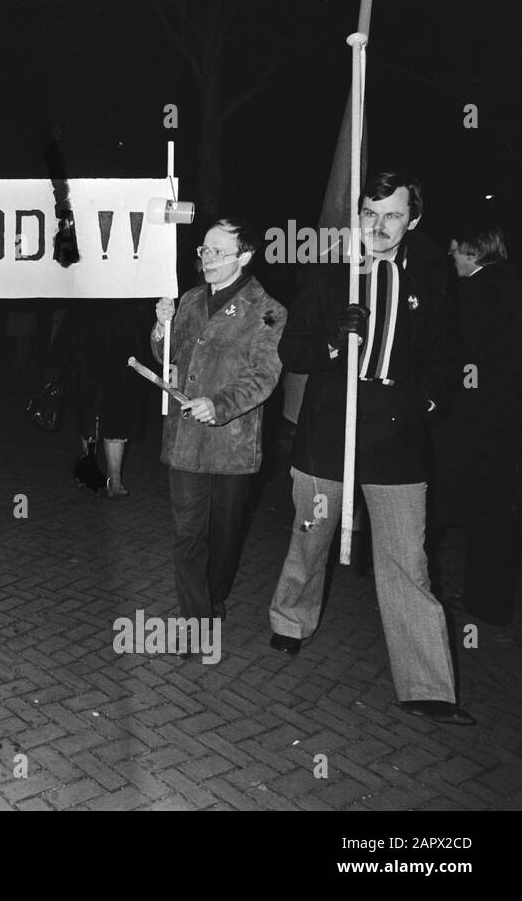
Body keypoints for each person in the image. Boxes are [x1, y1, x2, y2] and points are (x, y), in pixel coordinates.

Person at [267, 171, 473, 725]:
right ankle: (290, 619)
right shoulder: (329, 272)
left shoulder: (431, 278)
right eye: (370, 214)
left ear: (414, 220)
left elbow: (447, 358)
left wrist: (423, 403)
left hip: (397, 438)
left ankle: (427, 685)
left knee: (407, 560)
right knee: (310, 536)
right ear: (358, 215)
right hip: (329, 431)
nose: (379, 226)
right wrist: (335, 341)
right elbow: (294, 351)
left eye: (393, 216)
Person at [152, 217, 286, 635]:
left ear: (244, 257)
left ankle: (214, 597)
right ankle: (194, 620)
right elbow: (168, 356)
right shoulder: (190, 300)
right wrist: (161, 327)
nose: (207, 259)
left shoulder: (267, 311)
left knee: (224, 536)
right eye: (204, 250)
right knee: (188, 532)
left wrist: (220, 404)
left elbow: (263, 376)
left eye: (217, 252)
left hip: (231, 445)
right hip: (186, 438)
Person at [430, 216, 520, 627]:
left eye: (454, 253)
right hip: (506, 421)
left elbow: (455, 357)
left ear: (472, 250)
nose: (451, 260)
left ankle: (417, 584)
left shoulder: (470, 294)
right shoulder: (514, 285)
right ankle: (491, 603)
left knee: (437, 499)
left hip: (468, 420)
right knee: (496, 511)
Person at [50, 298, 151, 497]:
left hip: (119, 370)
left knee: (116, 423)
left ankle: (115, 481)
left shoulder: (126, 301)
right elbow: (67, 335)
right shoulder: (84, 302)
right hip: (87, 369)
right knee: (89, 423)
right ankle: (91, 473)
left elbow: (136, 337)